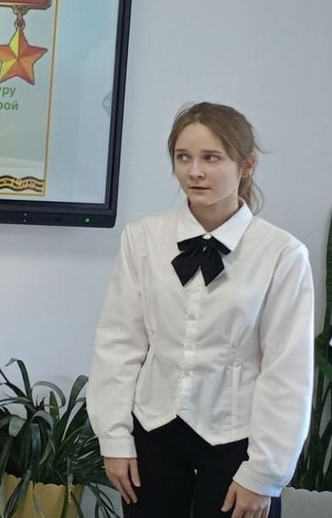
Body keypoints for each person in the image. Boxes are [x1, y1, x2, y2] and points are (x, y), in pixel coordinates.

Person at [88, 102, 313, 518]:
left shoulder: (282, 253)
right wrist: (114, 438)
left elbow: (287, 370)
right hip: (153, 431)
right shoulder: (143, 238)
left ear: (246, 165)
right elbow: (119, 343)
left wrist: (264, 473)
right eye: (183, 157)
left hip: (238, 441)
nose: (195, 172)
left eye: (212, 158)